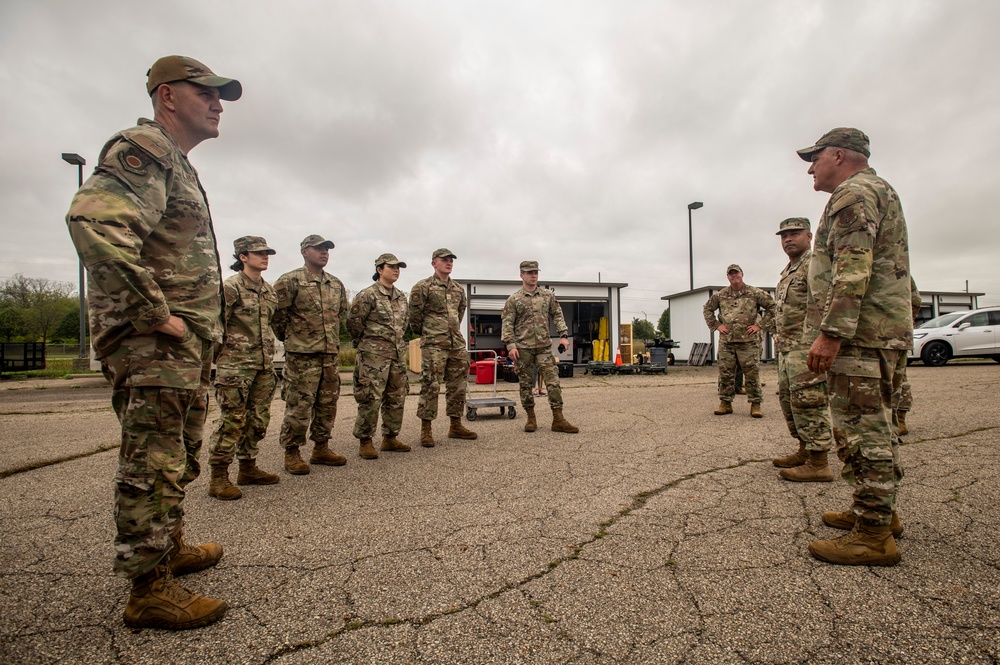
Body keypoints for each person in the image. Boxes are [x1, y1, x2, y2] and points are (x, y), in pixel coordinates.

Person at [65, 55, 241, 629]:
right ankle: (149, 589)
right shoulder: (143, 148)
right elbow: (94, 222)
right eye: (207, 93)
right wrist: (154, 312)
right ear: (167, 95)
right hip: (154, 345)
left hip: (182, 347)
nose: (218, 104)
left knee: (177, 454)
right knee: (153, 460)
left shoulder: (178, 164)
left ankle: (168, 547)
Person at [798, 127, 911, 566]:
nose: (811, 166)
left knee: (863, 431)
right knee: (875, 427)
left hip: (861, 335)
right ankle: (877, 510)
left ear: (840, 155)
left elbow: (853, 267)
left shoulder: (854, 194)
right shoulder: (878, 190)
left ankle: (874, 534)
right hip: (878, 331)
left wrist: (831, 332)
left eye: (816, 157)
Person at [206, 236, 281, 501]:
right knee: (231, 421)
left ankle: (248, 468)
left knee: (258, 420)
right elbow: (214, 327)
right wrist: (222, 360)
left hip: (262, 366)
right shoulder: (230, 288)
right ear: (243, 257)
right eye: (259, 253)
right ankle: (218, 477)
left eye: (267, 253)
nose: (265, 257)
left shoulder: (269, 290)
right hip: (236, 367)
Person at [272, 235, 351, 475]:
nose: (324, 252)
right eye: (319, 248)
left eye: (327, 249)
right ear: (305, 251)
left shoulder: (335, 284)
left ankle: (321, 447)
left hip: (329, 355)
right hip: (302, 357)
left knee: (327, 404)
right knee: (299, 405)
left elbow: (341, 316)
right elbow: (278, 318)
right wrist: (296, 341)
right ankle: (292, 452)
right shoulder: (289, 281)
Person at [771, 218, 834, 482]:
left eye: (794, 233)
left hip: (806, 348)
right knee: (791, 402)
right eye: (784, 235)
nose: (788, 239)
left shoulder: (815, 263)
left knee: (810, 402)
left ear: (809, 236)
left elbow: (827, 302)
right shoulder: (789, 269)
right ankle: (805, 450)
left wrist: (824, 338)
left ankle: (820, 463)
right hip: (788, 349)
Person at [408, 248, 478, 447]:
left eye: (451, 260)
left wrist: (452, 332)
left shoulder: (457, 289)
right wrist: (430, 333)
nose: (449, 263)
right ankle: (426, 430)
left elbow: (460, 312)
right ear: (433, 263)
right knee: (430, 385)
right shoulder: (422, 287)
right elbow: (414, 318)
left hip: (456, 344)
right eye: (444, 260)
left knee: (458, 386)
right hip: (434, 344)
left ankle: (455, 426)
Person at [500, 261, 578, 434]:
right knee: (526, 385)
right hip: (523, 349)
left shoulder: (547, 296)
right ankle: (531, 419)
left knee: (553, 382)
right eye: (529, 272)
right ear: (521, 275)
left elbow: (557, 315)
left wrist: (564, 336)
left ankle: (558, 419)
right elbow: (507, 323)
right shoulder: (514, 299)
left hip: (543, 347)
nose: (533, 275)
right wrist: (510, 345)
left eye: (535, 272)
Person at [348, 254, 411, 459]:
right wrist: (366, 345)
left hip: (397, 355)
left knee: (396, 396)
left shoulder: (401, 296)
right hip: (373, 356)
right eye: (391, 267)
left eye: (398, 267)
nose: (396, 270)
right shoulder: (368, 295)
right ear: (379, 269)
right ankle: (365, 440)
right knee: (370, 398)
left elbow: (405, 324)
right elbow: (354, 323)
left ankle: (390, 438)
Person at [702, 265, 776, 417]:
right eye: (731, 274)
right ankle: (725, 403)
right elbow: (707, 309)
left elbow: (773, 307)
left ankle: (755, 404)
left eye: (736, 273)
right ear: (727, 277)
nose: (734, 276)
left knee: (752, 374)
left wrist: (759, 325)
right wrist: (716, 325)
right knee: (725, 373)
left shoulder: (754, 293)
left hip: (748, 342)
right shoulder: (721, 295)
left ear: (742, 274)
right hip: (727, 342)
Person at [896, 278, 921, 436]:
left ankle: (899, 419)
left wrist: (904, 321)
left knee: (898, 378)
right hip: (895, 331)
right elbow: (916, 300)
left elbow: (915, 300)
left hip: (894, 332)